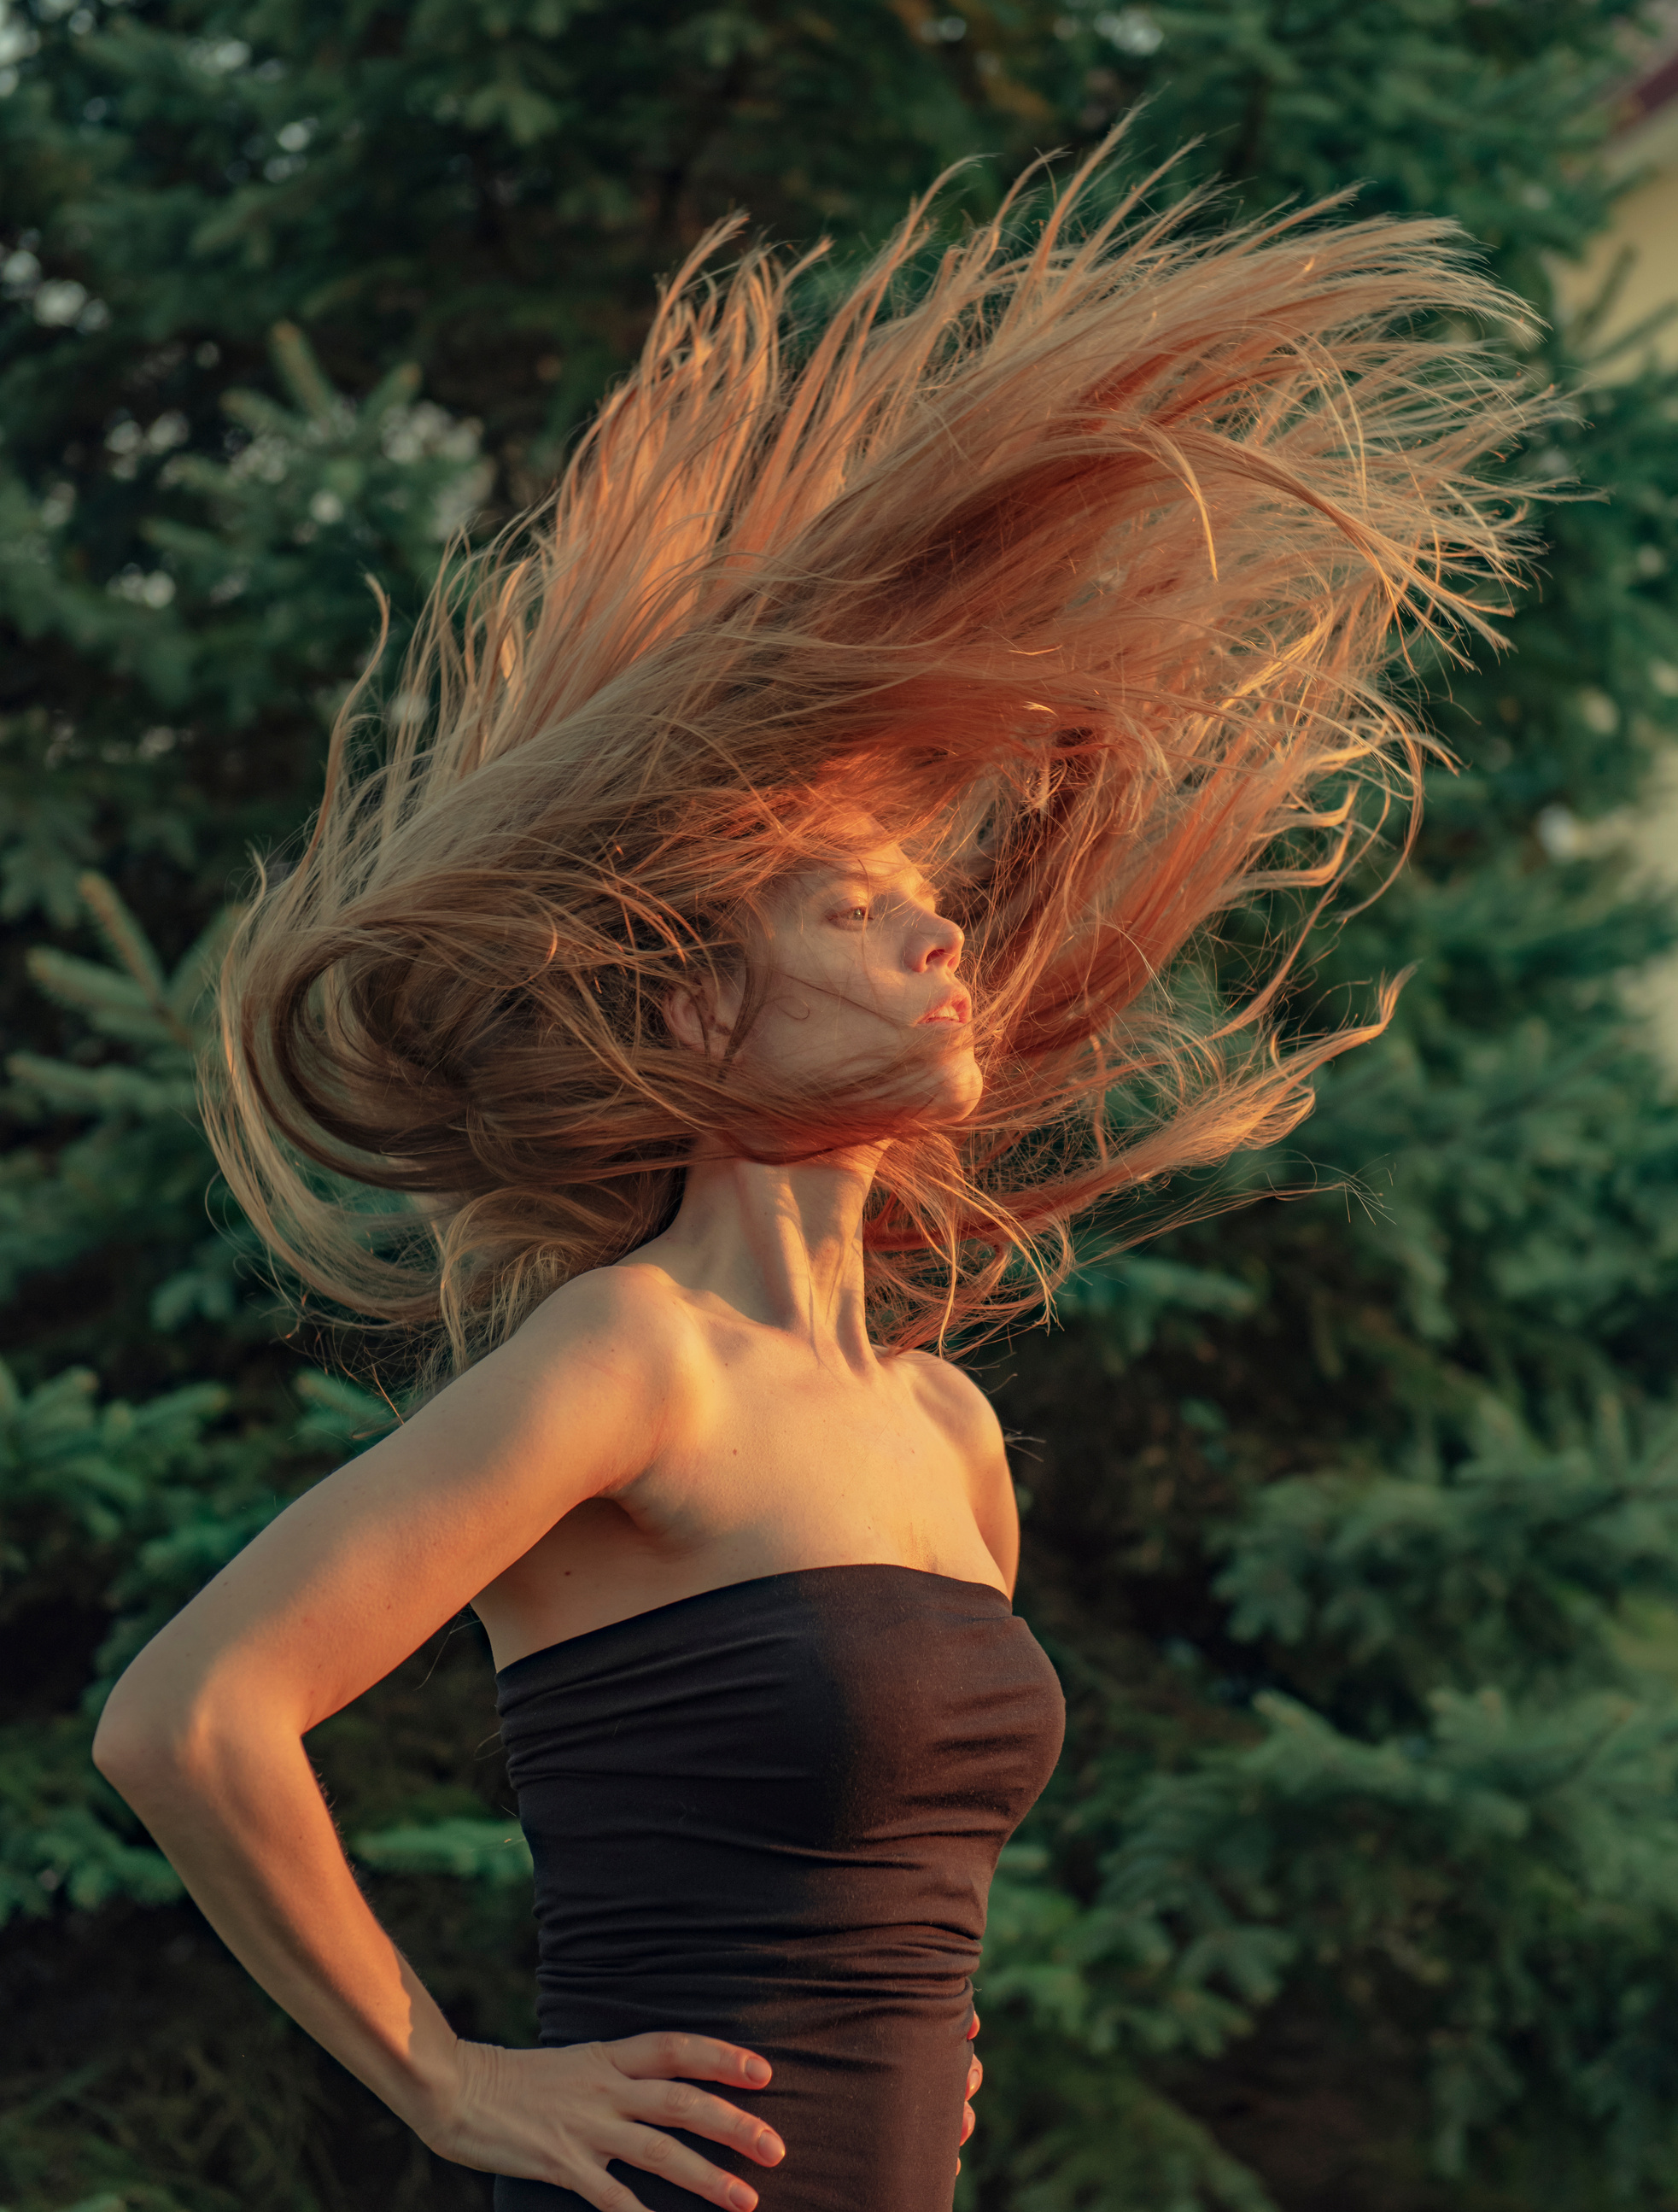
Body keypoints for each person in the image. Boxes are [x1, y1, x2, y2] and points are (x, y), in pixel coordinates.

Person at [91, 142, 1531, 2212]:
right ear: (690, 1018)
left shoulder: (945, 1429)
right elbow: (192, 1710)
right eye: (856, 915)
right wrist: (450, 2082)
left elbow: (888, 1903)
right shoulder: (628, 1360)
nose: (939, 937)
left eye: (925, 905)